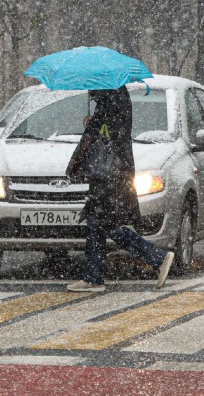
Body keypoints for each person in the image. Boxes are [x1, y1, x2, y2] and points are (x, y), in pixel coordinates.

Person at [65, 87, 175, 294]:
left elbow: (106, 136)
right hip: (110, 173)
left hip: (109, 174)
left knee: (105, 223)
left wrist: (93, 126)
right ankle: (93, 277)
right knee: (97, 223)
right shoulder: (114, 97)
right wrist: (95, 123)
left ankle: (157, 257)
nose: (90, 90)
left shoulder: (111, 99)